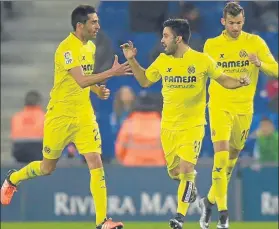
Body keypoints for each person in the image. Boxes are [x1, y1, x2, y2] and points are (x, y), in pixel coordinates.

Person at [1, 5, 132, 229]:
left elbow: (85, 79)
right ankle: (13, 179)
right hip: (60, 116)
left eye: (98, 21)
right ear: (80, 26)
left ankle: (102, 221)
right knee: (46, 168)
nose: (98, 26)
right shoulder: (66, 49)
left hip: (83, 115)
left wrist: (97, 89)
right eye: (93, 22)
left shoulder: (89, 47)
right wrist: (112, 73)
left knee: (96, 161)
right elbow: (80, 80)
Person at [121, 18, 250, 229]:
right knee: (176, 173)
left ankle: (179, 218)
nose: (162, 40)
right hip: (168, 127)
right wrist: (132, 60)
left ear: (178, 38)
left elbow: (223, 79)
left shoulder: (202, 61)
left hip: (193, 126)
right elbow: (144, 81)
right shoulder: (163, 61)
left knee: (186, 168)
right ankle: (191, 187)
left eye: (166, 36)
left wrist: (239, 82)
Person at [198, 2, 278, 229]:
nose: (235, 27)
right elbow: (206, 75)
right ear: (223, 21)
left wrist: (259, 63)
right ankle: (223, 215)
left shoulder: (254, 43)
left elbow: (276, 70)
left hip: (244, 109)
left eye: (239, 23)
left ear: (244, 21)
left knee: (230, 163)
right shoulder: (211, 45)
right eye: (231, 23)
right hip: (219, 106)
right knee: (221, 159)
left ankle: (209, 201)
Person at [11, 91, 44, 163]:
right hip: (38, 149)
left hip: (19, 151)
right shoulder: (44, 116)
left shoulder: (16, 116)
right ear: (38, 103)